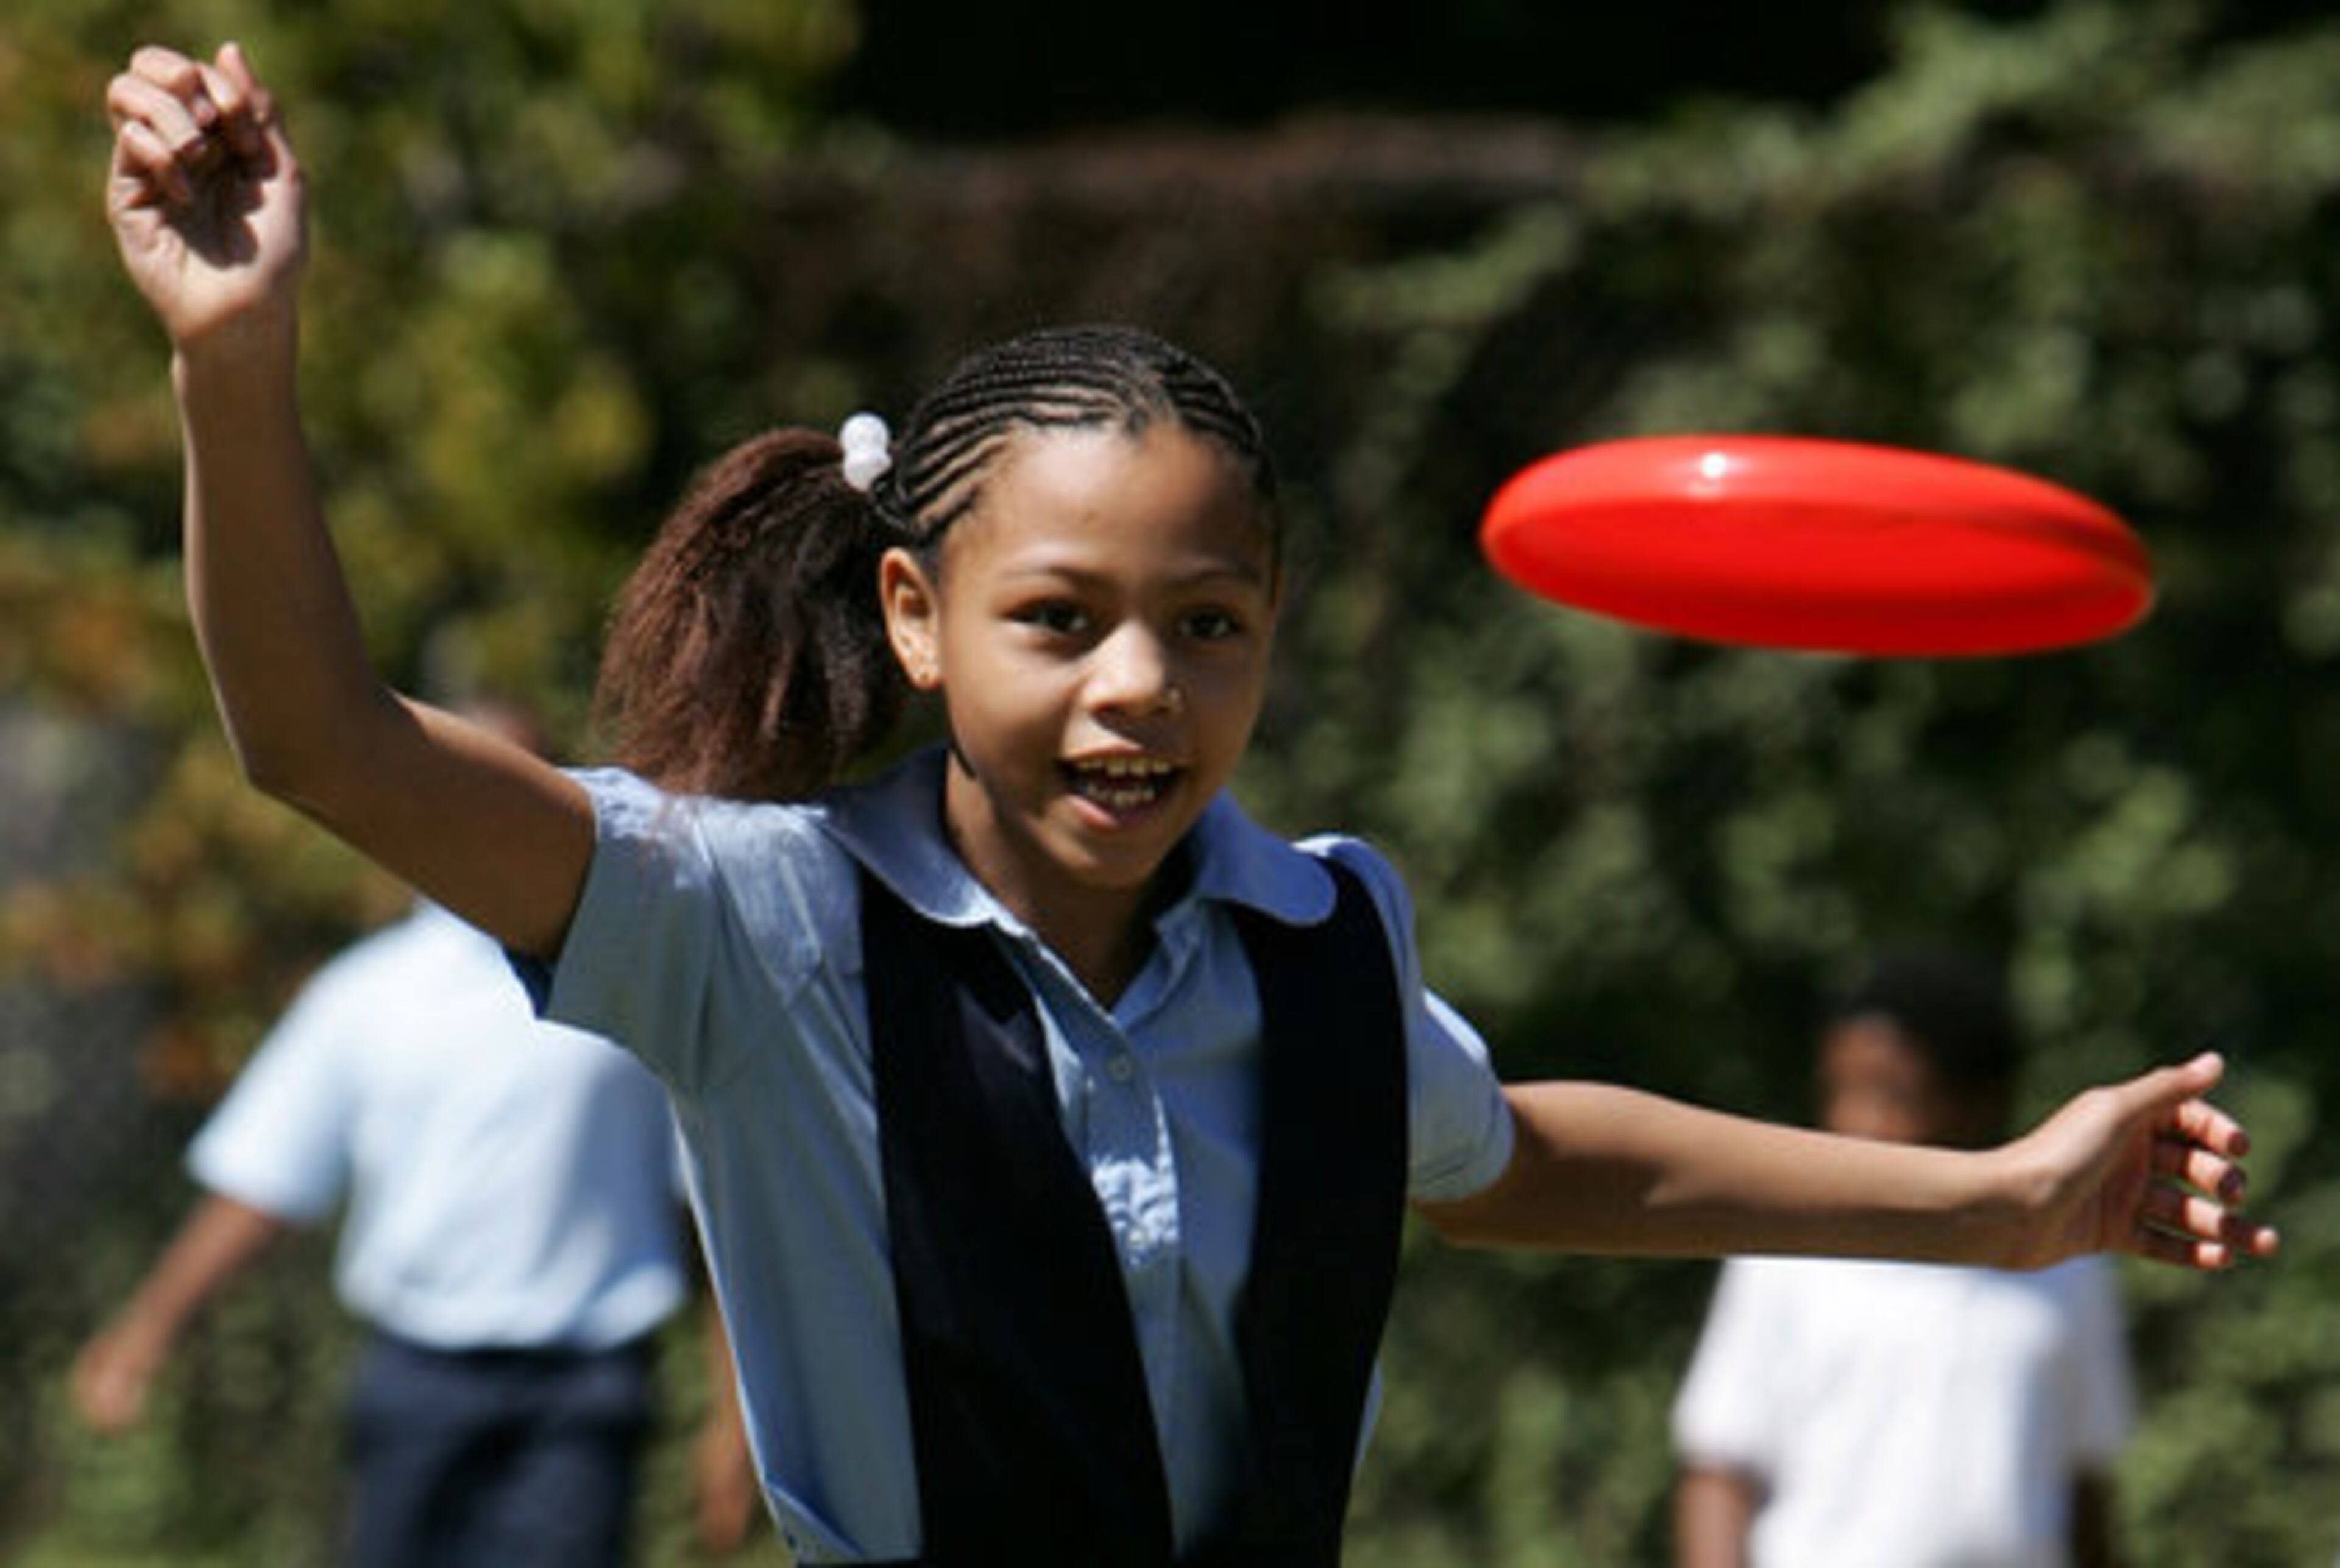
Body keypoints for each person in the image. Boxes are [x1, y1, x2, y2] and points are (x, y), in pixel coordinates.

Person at [101, 43, 2276, 1566]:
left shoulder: (1329, 932)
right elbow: (321, 737)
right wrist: (234, 358)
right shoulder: (743, 920)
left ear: (1273, 630)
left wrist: (1997, 1199)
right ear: (917, 617)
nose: (1142, 681)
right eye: (1060, 616)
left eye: (1210, 620)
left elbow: (1515, 1150)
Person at [70, 704, 759, 1568]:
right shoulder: (368, 995)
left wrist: (742, 1421)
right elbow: (265, 1181)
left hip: (581, 1395)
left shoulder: (631, 988)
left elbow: (714, 1218)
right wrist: (146, 1330)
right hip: (417, 1381)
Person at [1670, 950, 2136, 1568]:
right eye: (1840, 1091)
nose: (1855, 1122)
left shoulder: (2067, 1266)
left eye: (1891, 1094)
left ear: (1980, 1101)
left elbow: (2084, 1488)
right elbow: (1720, 1465)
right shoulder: (1784, 1253)